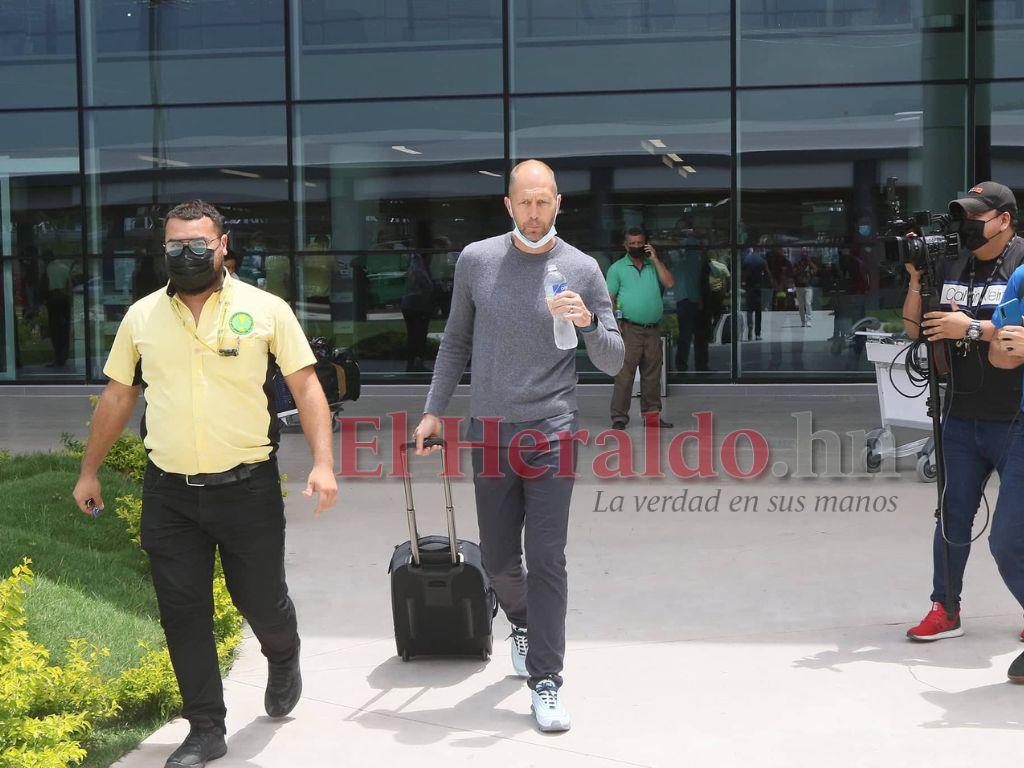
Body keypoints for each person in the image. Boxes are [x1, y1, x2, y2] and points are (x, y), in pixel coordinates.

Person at [72, 200, 339, 768]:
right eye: (175, 245)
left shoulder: (265, 310)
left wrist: (323, 462)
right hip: (169, 492)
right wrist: (89, 469)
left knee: (259, 600)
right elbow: (119, 396)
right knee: (182, 611)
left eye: (198, 243)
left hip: (248, 489)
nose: (186, 253)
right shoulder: (142, 317)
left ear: (222, 246)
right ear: (163, 249)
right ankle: (206, 729)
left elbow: (306, 386)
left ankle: (283, 653)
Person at [413, 160, 623, 733]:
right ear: (508, 205)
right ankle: (523, 621)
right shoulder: (477, 260)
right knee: (501, 561)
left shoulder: (582, 268)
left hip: (553, 429)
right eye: (524, 202)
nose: (534, 213)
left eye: (543, 201)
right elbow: (455, 342)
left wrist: (588, 323)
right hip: (491, 432)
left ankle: (546, 680)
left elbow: (614, 359)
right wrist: (433, 411)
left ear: (559, 203)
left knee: (548, 557)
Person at [901, 182, 1024, 656]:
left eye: (977, 216)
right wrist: (917, 279)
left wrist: (969, 327)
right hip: (960, 413)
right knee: (951, 516)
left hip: (1015, 417)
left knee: (1011, 533)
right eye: (963, 216)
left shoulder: (1021, 263)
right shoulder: (952, 262)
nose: (967, 225)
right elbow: (913, 328)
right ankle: (945, 608)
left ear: (1004, 219)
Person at [607, 227, 674, 429]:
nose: (636, 246)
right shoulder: (617, 268)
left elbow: (670, 283)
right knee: (624, 375)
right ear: (625, 245)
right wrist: (614, 324)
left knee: (652, 375)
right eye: (632, 243)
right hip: (629, 329)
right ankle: (619, 417)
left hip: (652, 329)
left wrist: (655, 259)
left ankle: (652, 417)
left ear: (646, 244)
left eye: (639, 243)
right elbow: (609, 299)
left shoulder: (653, 265)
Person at [400, 252, 436, 372]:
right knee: (419, 335)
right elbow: (426, 283)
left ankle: (412, 363)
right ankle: (416, 363)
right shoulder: (418, 262)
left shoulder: (410, 262)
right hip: (417, 305)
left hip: (409, 304)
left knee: (413, 335)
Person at [793, 249, 818, 327]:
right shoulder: (797, 264)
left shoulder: (810, 263)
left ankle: (809, 320)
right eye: (803, 253)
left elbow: (815, 270)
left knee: (808, 303)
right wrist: (800, 270)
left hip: (808, 286)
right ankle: (803, 321)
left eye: (805, 253)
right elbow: (793, 273)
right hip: (799, 287)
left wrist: (810, 271)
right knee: (801, 305)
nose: (804, 255)